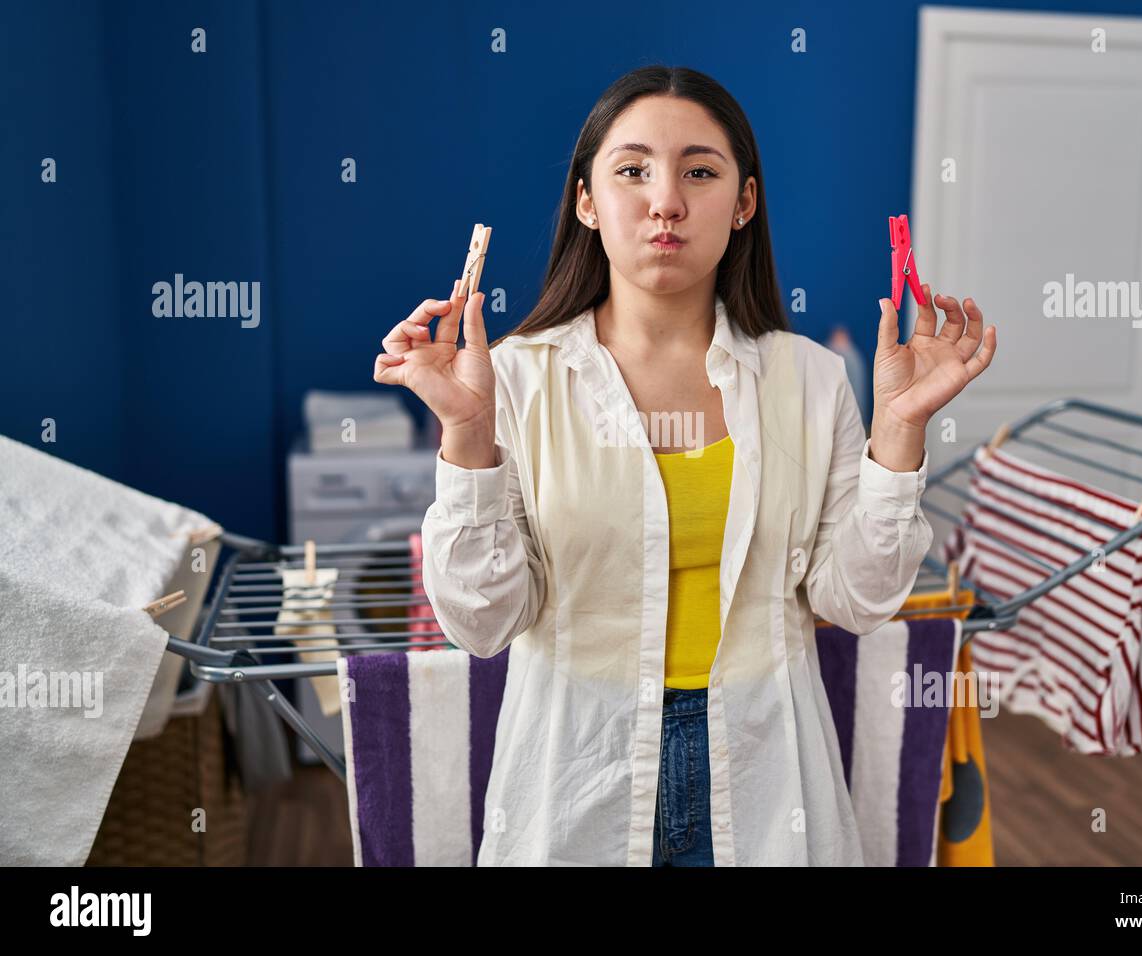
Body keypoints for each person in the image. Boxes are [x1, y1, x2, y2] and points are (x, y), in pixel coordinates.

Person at [373, 65, 996, 866]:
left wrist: (901, 430)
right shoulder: (514, 378)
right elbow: (483, 622)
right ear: (587, 202)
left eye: (699, 172)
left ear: (743, 203)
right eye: (632, 170)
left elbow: (858, 600)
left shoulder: (808, 378)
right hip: (574, 777)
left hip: (768, 777)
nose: (665, 200)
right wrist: (466, 434)